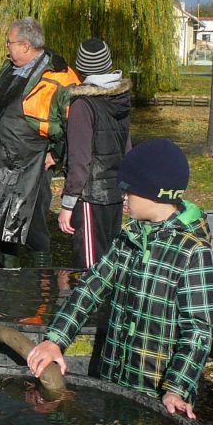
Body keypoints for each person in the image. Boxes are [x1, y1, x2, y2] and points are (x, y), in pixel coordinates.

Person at [27, 138, 213, 418]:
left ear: (155, 193)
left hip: (157, 396)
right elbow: (90, 288)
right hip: (113, 383)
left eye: (129, 190)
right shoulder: (129, 238)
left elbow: (198, 331)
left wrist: (176, 387)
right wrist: (56, 339)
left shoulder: (194, 252)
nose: (123, 197)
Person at [0, 17, 78, 268]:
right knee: (0, 223)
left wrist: (57, 155)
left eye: (9, 42)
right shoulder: (8, 68)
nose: (6, 47)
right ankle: (6, 274)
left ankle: (41, 278)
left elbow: (74, 124)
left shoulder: (60, 77)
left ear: (25, 45)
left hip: (32, 165)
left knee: (33, 227)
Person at [57, 38, 132, 269]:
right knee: (109, 262)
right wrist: (127, 191)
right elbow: (126, 149)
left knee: (89, 269)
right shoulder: (120, 99)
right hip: (115, 193)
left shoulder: (83, 105)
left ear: (80, 67)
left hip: (91, 196)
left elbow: (79, 161)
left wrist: (67, 205)